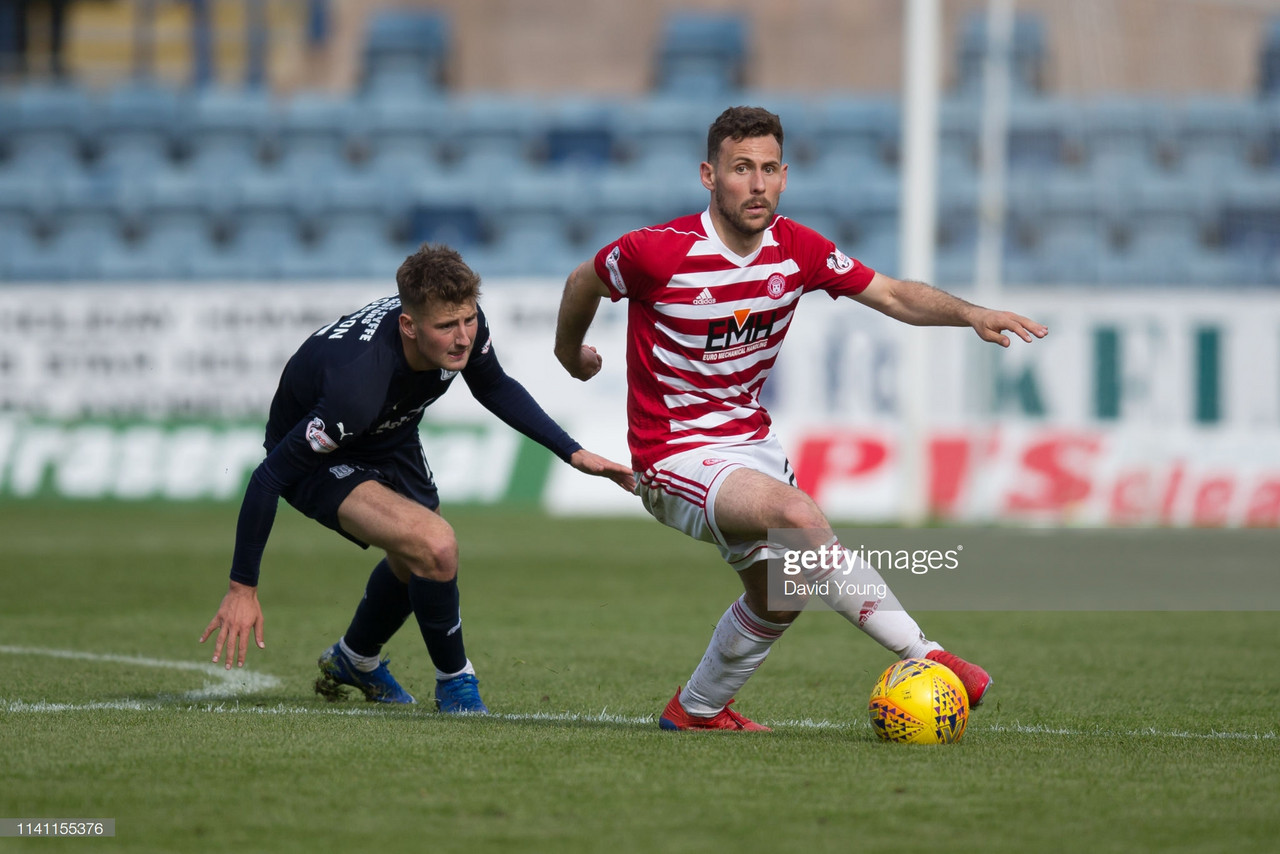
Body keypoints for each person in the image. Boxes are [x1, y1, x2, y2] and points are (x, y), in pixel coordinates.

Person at [554, 106, 1047, 731]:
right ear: (709, 175)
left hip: (751, 445)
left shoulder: (798, 249)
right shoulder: (658, 252)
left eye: (768, 170)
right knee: (798, 517)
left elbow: (893, 293)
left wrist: (971, 313)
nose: (756, 185)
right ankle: (930, 655)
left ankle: (697, 710)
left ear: (784, 176)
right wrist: (570, 355)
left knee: (780, 593)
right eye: (740, 169)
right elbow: (583, 280)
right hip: (672, 453)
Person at [202, 243, 634, 714]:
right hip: (321, 458)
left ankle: (354, 659)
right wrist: (242, 589)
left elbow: (493, 386)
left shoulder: (463, 323)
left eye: (468, 319)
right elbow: (267, 478)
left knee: (417, 560)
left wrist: (572, 452)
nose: (463, 337)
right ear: (408, 326)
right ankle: (456, 682)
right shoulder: (357, 386)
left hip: (392, 434)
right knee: (436, 546)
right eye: (447, 326)